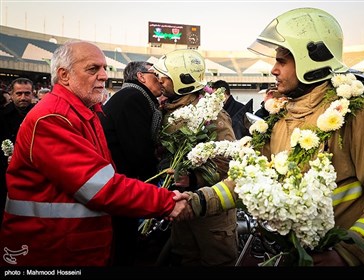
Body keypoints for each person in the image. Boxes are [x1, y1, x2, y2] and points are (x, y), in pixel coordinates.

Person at [185, 7, 364, 266]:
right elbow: (248, 178)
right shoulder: (279, 117)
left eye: (282, 61)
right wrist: (197, 201)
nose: (273, 70)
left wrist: (347, 254)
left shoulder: (355, 114)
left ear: (313, 59)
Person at [0, 40, 192, 266]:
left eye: (104, 68)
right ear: (64, 75)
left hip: (69, 243)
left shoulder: (84, 112)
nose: (103, 76)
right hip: (49, 248)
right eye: (93, 69)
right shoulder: (52, 118)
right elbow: (100, 186)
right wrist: (166, 201)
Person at [153, 49, 239, 266]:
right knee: (186, 258)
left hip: (211, 215)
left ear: (183, 81)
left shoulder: (212, 116)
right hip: (182, 208)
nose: (159, 81)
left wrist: (193, 180)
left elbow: (228, 162)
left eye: (165, 77)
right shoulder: (168, 111)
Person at [98, 61, 166, 266]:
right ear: (141, 77)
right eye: (155, 74)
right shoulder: (133, 98)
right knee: (124, 243)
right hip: (121, 184)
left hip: (119, 180)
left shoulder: (133, 96)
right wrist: (158, 182)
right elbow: (138, 150)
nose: (161, 80)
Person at [0, 78, 35, 225]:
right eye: (19, 93)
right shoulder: (1, 115)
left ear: (32, 94)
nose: (23, 98)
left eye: (27, 94)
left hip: (31, 173)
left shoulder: (40, 114)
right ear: (11, 94)